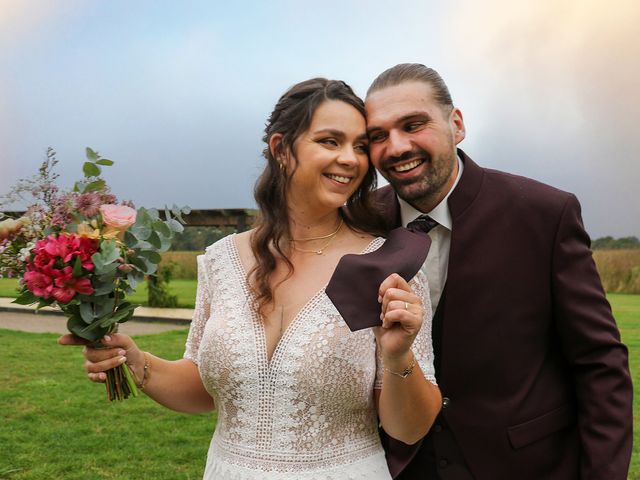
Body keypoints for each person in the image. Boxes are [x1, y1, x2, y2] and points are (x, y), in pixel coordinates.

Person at [59, 78, 442, 479]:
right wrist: (134, 359)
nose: (351, 159)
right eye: (330, 141)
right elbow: (203, 387)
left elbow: (409, 428)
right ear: (280, 149)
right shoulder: (221, 260)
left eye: (360, 147)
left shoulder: (386, 265)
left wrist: (398, 356)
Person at [363, 63, 633, 479]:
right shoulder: (357, 223)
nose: (396, 147)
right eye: (377, 136)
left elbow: (598, 362)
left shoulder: (545, 214)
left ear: (456, 124)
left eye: (413, 125)